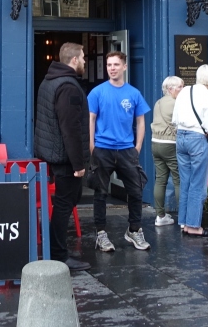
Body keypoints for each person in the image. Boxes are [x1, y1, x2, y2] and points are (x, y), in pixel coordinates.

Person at [33, 42, 91, 272]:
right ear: (74, 60)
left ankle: (55, 249)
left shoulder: (49, 81)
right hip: (65, 158)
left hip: (54, 154)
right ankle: (58, 255)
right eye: (83, 57)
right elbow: (70, 128)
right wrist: (78, 164)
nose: (85, 61)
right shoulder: (68, 87)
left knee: (65, 202)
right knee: (64, 205)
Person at [88, 51, 151, 252]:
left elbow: (141, 121)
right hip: (103, 148)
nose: (112, 68)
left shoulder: (134, 93)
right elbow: (90, 119)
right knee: (100, 193)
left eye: (116, 64)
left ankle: (134, 230)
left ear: (124, 66)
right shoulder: (97, 92)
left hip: (126, 150)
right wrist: (92, 146)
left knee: (136, 191)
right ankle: (101, 234)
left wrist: (137, 147)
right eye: (109, 65)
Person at [173, 64, 208, 237]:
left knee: (185, 182)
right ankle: (193, 226)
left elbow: (175, 119)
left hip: (181, 138)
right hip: (197, 139)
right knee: (197, 184)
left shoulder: (185, 91)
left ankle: (184, 223)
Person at [150, 76, 182, 227]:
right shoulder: (177, 103)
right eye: (179, 87)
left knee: (160, 180)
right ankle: (184, 219)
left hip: (155, 143)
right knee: (178, 180)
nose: (182, 89)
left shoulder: (158, 102)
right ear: (170, 89)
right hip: (170, 144)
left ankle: (160, 216)